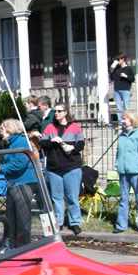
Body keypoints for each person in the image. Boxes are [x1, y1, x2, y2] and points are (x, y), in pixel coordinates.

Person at [41, 101, 85, 235]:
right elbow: (43, 144)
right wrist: (51, 141)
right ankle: (58, 222)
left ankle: (75, 222)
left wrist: (73, 147)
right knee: (57, 197)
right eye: (55, 111)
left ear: (66, 112)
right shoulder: (49, 127)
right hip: (54, 168)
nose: (57, 113)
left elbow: (81, 143)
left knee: (72, 196)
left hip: (72, 167)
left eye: (60, 111)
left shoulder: (75, 127)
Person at [0, 119, 39, 248]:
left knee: (22, 217)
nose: (1, 132)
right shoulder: (12, 143)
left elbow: (20, 163)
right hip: (14, 183)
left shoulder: (20, 142)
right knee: (11, 215)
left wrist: (1, 168)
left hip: (23, 183)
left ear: (9, 130)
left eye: (2, 129)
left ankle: (24, 245)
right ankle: (13, 243)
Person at [113, 111, 138, 235]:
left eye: (125, 119)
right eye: (122, 119)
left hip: (136, 173)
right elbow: (119, 152)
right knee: (124, 199)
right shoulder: (123, 135)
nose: (122, 121)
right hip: (124, 172)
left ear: (132, 120)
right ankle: (121, 225)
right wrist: (117, 163)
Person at [110, 52, 134, 122]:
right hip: (117, 90)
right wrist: (111, 71)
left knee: (126, 108)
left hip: (125, 90)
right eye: (116, 59)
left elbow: (132, 79)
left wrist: (126, 76)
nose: (117, 61)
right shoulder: (117, 69)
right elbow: (112, 78)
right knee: (119, 109)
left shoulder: (128, 69)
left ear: (123, 59)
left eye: (118, 59)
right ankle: (120, 124)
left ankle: (127, 122)